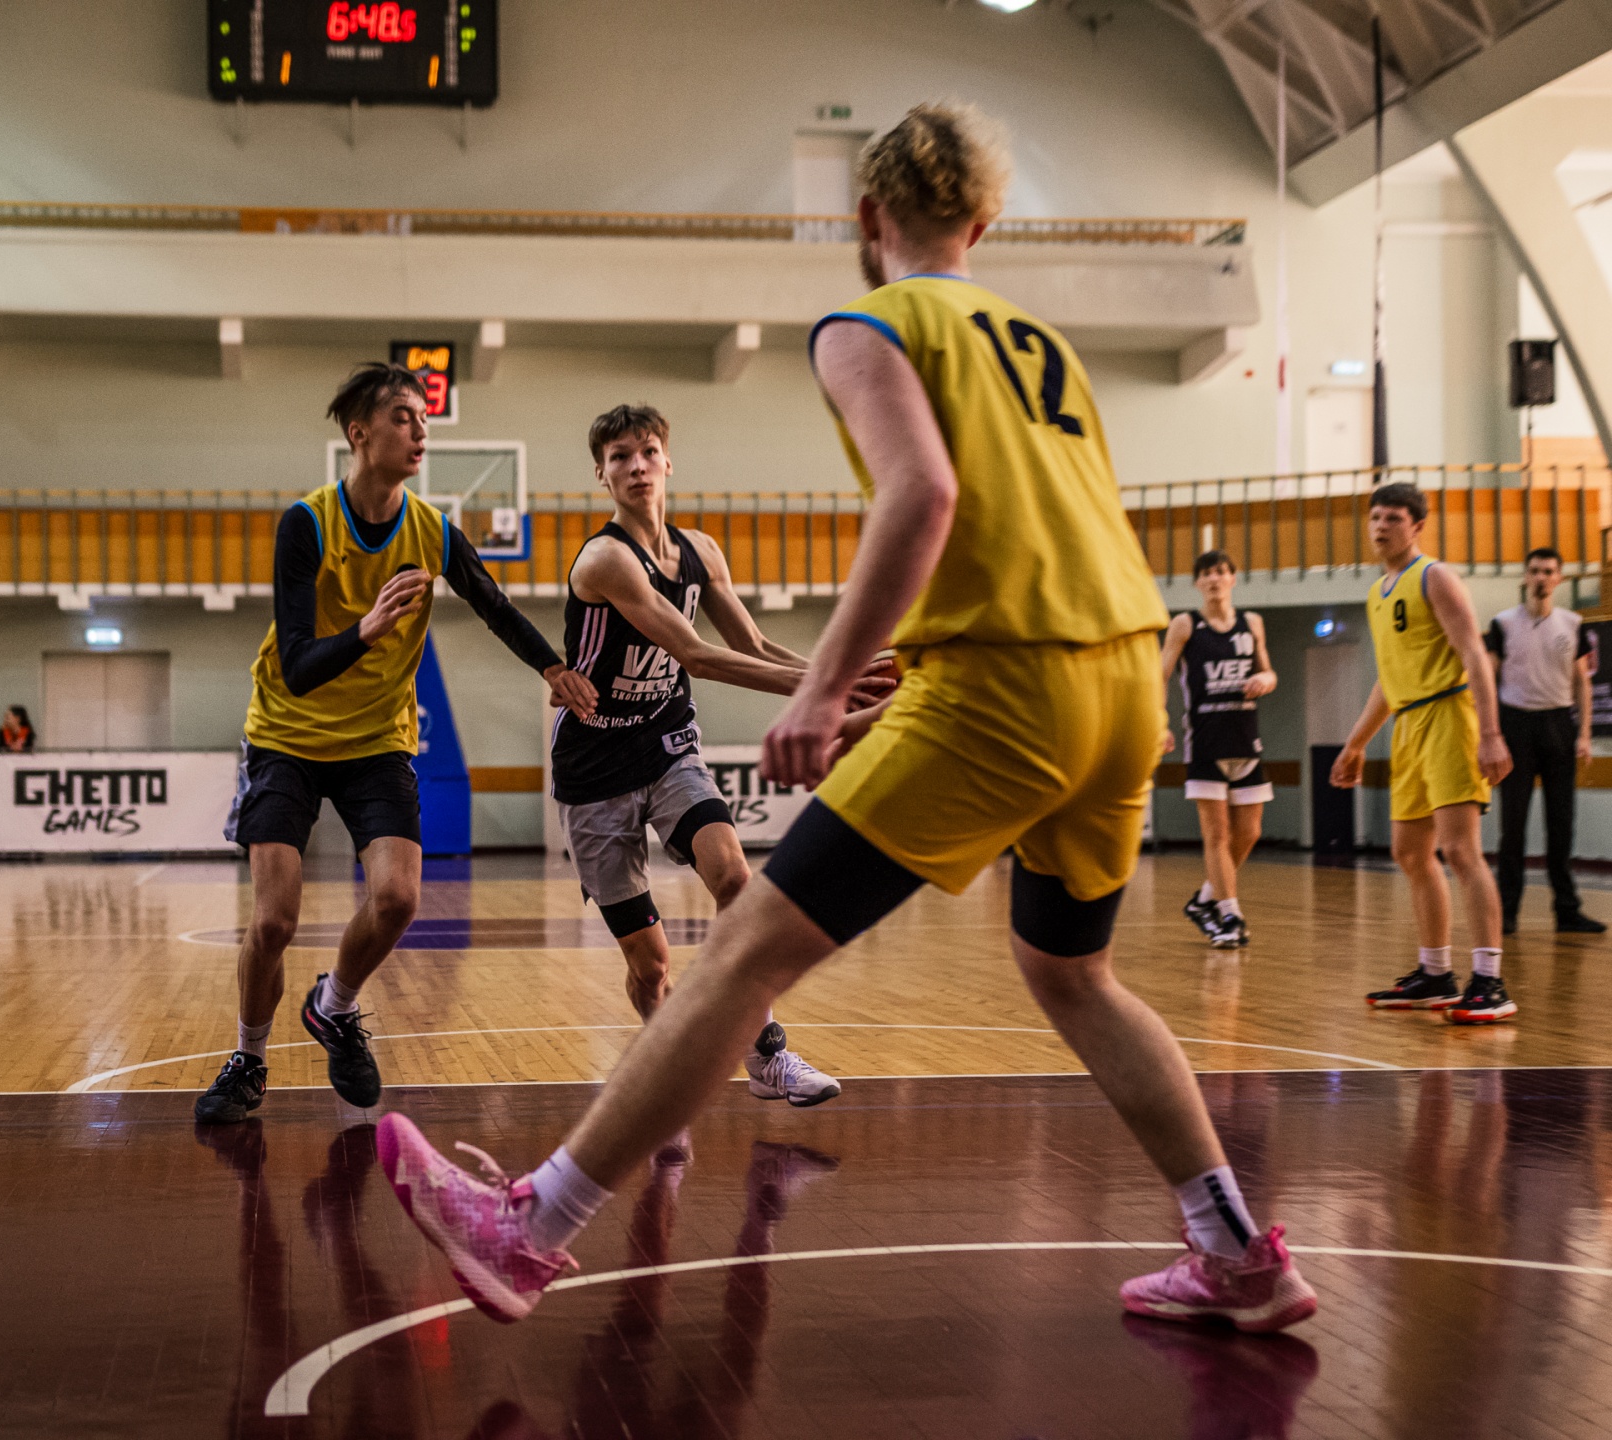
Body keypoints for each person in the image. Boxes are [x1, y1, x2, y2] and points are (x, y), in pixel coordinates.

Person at [375, 102, 1319, 1334]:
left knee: (742, 949)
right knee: (1073, 972)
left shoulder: (867, 323)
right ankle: (1237, 1250)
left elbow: (923, 495)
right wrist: (865, 666)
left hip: (1008, 686)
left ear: (867, 218)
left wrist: (826, 687)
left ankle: (530, 1227)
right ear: (983, 222)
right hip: (1125, 680)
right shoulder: (1041, 339)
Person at [193, 362, 596, 1125]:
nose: (420, 431)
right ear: (360, 433)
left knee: (400, 898)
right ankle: (248, 1059)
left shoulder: (432, 530)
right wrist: (368, 628)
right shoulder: (307, 523)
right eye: (404, 417)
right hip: (286, 733)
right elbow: (299, 666)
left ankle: (334, 1006)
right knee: (274, 922)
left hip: (378, 738)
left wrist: (552, 667)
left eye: (423, 420)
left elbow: (495, 606)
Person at [550, 403, 869, 1108]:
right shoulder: (606, 559)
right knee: (651, 965)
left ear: (668, 461)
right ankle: (663, 1073)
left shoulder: (701, 552)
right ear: (602, 475)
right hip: (595, 766)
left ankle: (766, 1055)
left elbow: (753, 645)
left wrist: (838, 677)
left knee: (736, 880)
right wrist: (830, 690)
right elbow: (697, 655)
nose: (637, 466)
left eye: (648, 451)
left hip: (666, 742)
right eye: (620, 457)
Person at [1331, 483, 1516, 1022]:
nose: (1380, 526)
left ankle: (1491, 980)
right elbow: (1388, 681)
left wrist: (1490, 733)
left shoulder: (1435, 577)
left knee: (1460, 850)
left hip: (1449, 716)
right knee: (1410, 853)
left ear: (1416, 526)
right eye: (1375, 517)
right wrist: (1355, 743)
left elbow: (1474, 654)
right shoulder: (1377, 592)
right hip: (1408, 724)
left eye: (1392, 518)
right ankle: (1436, 974)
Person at [1160, 551, 1277, 950]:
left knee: (1250, 832)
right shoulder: (1185, 624)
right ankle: (1230, 914)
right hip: (1205, 742)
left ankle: (1205, 900)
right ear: (1197, 583)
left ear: (1233, 579)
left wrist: (1266, 679)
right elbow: (1160, 674)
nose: (1214, 579)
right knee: (1217, 833)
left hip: (1245, 738)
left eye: (1221, 572)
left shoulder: (1252, 622)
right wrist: (1159, 721)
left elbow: (1267, 670)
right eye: (1206, 574)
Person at [1486, 547, 1606, 934]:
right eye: (1535, 570)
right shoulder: (1503, 624)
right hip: (1515, 726)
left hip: (1558, 724)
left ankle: (1567, 910)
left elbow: (1582, 683)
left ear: (1558, 578)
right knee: (1513, 826)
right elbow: (1487, 679)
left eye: (1548, 571)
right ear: (1526, 577)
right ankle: (1506, 911)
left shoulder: (1572, 623)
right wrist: (1489, 733)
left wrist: (1583, 734)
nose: (1541, 577)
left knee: (1561, 823)